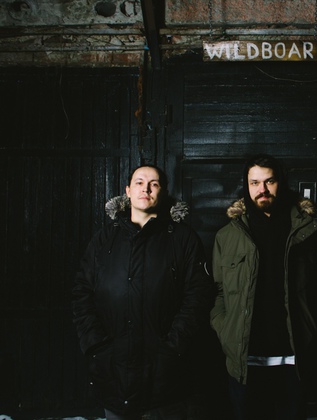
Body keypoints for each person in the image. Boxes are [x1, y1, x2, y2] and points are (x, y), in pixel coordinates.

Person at [72, 165, 212, 420]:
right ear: (128, 190)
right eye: (139, 182)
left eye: (154, 184)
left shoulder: (182, 238)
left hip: (164, 378)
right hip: (112, 372)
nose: (145, 189)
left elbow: (197, 296)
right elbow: (82, 292)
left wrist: (172, 349)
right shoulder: (104, 239)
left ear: (163, 191)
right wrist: (96, 346)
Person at [210, 154, 317, 420]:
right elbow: (219, 291)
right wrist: (225, 329)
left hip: (293, 359)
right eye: (255, 183)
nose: (262, 189)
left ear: (280, 182)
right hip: (245, 359)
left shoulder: (307, 231)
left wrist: (313, 326)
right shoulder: (227, 236)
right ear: (246, 186)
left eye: (269, 181)